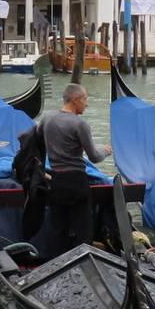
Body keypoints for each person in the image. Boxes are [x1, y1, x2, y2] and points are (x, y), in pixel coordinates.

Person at [38, 84, 112, 246]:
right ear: (75, 100)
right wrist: (106, 150)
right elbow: (93, 156)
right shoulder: (80, 124)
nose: (87, 103)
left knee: (58, 229)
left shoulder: (47, 119)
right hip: (76, 181)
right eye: (85, 99)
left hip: (56, 180)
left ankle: (56, 264)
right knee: (83, 230)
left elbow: (38, 146)